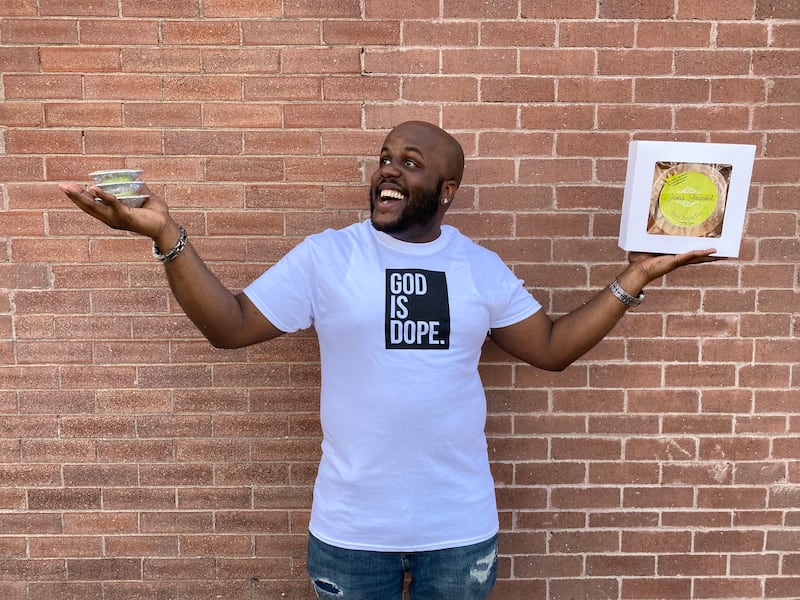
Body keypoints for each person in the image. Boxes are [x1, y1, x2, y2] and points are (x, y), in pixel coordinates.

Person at [60, 121, 715, 600]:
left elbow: (549, 349)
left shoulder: (476, 267)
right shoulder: (328, 256)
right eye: (383, 158)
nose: (389, 170)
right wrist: (168, 238)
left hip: (458, 529)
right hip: (351, 528)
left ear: (447, 188)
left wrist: (636, 276)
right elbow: (229, 327)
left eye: (411, 161)